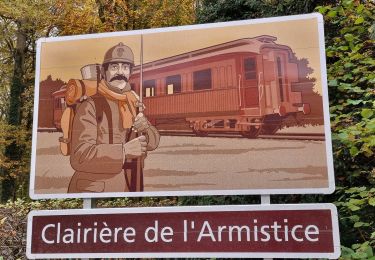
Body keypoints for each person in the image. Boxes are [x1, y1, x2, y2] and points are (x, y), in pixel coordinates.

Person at [67, 42, 160, 193]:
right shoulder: (90, 105)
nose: (120, 72)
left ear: (130, 72)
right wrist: (123, 151)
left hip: (128, 188)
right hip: (94, 191)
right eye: (114, 67)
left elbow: (153, 143)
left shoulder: (132, 102)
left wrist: (147, 128)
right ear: (104, 71)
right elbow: (80, 156)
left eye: (125, 67)